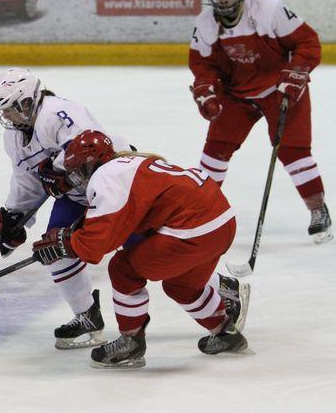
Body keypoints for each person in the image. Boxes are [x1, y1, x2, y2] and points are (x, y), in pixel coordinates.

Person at [31, 130, 251, 369]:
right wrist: (72, 238)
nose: (77, 180)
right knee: (182, 286)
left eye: (78, 173)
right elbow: (118, 224)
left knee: (123, 269)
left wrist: (66, 244)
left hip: (194, 228)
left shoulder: (106, 176)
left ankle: (131, 342)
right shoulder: (128, 163)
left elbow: (96, 245)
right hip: (221, 222)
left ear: (91, 164)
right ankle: (225, 333)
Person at [189, 0, 332, 243]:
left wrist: (297, 73)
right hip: (237, 96)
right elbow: (203, 65)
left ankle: (318, 209)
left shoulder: (268, 9)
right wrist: (207, 88)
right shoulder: (205, 23)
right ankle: (199, 212)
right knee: (214, 151)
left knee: (293, 152)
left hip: (280, 90)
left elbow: (308, 42)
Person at [0, 68, 131, 350]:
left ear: (26, 102)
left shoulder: (58, 114)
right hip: (79, 197)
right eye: (2, 111)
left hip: (116, 186)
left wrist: (64, 174)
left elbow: (95, 150)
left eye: (10, 110)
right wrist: (15, 217)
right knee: (54, 247)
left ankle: (222, 292)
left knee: (149, 246)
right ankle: (86, 314)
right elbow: (27, 181)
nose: (6, 117)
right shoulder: (14, 138)